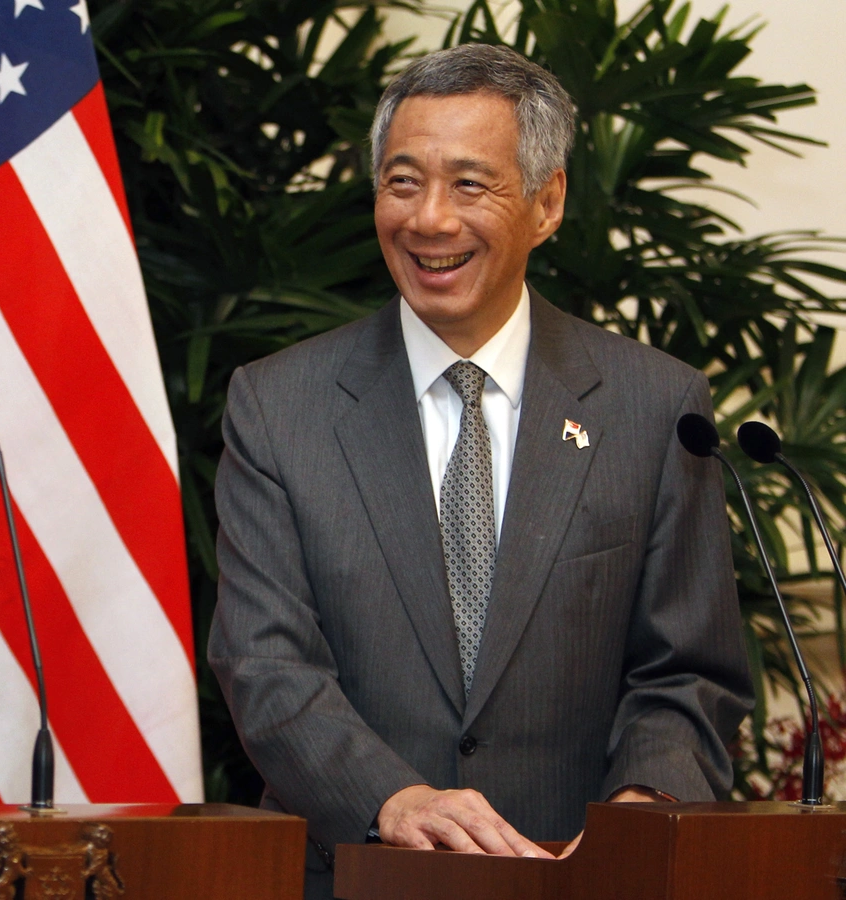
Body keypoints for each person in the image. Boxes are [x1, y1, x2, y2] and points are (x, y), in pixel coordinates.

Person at [207, 43, 752, 899]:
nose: (429, 219)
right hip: (355, 876)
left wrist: (639, 815)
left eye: (469, 184)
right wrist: (392, 799)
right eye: (402, 181)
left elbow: (687, 669)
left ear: (547, 201)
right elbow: (262, 663)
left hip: (580, 877)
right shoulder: (280, 406)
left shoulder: (653, 404)